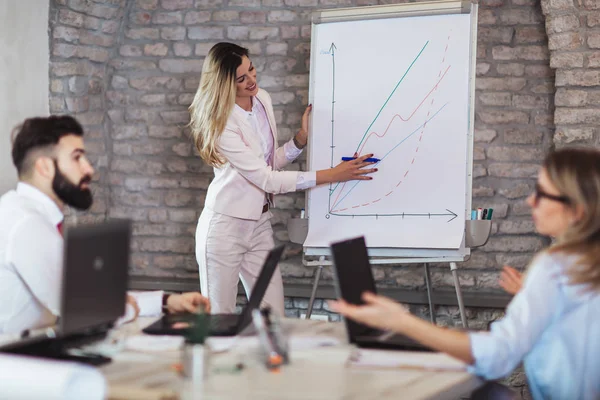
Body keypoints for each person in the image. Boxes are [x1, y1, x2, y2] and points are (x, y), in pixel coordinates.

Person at [331, 148, 600, 400]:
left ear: (578, 210)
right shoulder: (579, 267)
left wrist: (402, 322)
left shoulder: (555, 266)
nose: (531, 200)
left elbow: (497, 356)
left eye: (542, 193)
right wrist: (532, 297)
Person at [189, 42, 377, 315]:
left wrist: (299, 141)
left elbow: (267, 162)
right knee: (219, 318)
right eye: (241, 78)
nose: (252, 80)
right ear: (225, 83)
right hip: (224, 229)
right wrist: (333, 175)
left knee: (272, 317)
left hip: (259, 223)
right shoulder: (222, 124)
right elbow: (267, 179)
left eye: (251, 69)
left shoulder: (262, 99)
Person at [0, 116, 210, 335]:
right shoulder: (27, 224)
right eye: (77, 158)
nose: (88, 169)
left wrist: (166, 302)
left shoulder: (24, 213)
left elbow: (86, 294)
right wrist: (127, 309)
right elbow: (84, 312)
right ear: (44, 167)